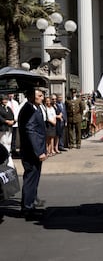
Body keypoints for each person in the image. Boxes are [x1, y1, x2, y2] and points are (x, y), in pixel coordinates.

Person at [18, 88, 47, 220]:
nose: (42, 98)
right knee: (30, 178)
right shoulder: (28, 109)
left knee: (34, 178)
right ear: (31, 97)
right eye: (40, 96)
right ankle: (27, 208)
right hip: (31, 152)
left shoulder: (34, 107)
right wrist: (39, 151)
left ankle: (31, 203)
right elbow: (31, 131)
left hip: (34, 150)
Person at [0, 94, 15, 167]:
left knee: (9, 141)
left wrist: (12, 121)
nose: (5, 101)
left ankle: (8, 154)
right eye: (4, 99)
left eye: (6, 99)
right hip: (3, 128)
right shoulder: (0, 108)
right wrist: (6, 121)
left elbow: (12, 115)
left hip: (9, 127)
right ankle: (4, 155)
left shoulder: (8, 108)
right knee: (3, 141)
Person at [7, 93, 20, 157]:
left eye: (12, 94)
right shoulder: (6, 102)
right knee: (8, 137)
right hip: (9, 123)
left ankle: (13, 150)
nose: (11, 95)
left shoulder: (16, 103)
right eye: (10, 94)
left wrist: (16, 119)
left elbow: (17, 111)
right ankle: (8, 150)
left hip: (15, 122)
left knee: (14, 138)